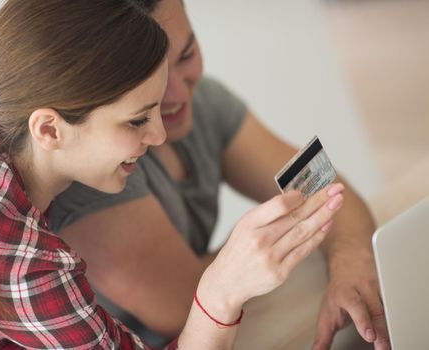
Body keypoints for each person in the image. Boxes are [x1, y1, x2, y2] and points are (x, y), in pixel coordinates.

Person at [0, 0, 345, 349]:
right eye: (136, 121)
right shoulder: (28, 268)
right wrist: (220, 291)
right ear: (49, 129)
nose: (157, 137)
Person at [48, 0, 390, 349]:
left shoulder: (207, 102)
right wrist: (300, 229)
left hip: (226, 319)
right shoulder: (93, 174)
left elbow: (328, 189)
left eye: (186, 55)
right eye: (152, 80)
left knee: (378, 253)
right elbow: (184, 307)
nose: (179, 94)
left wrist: (351, 260)